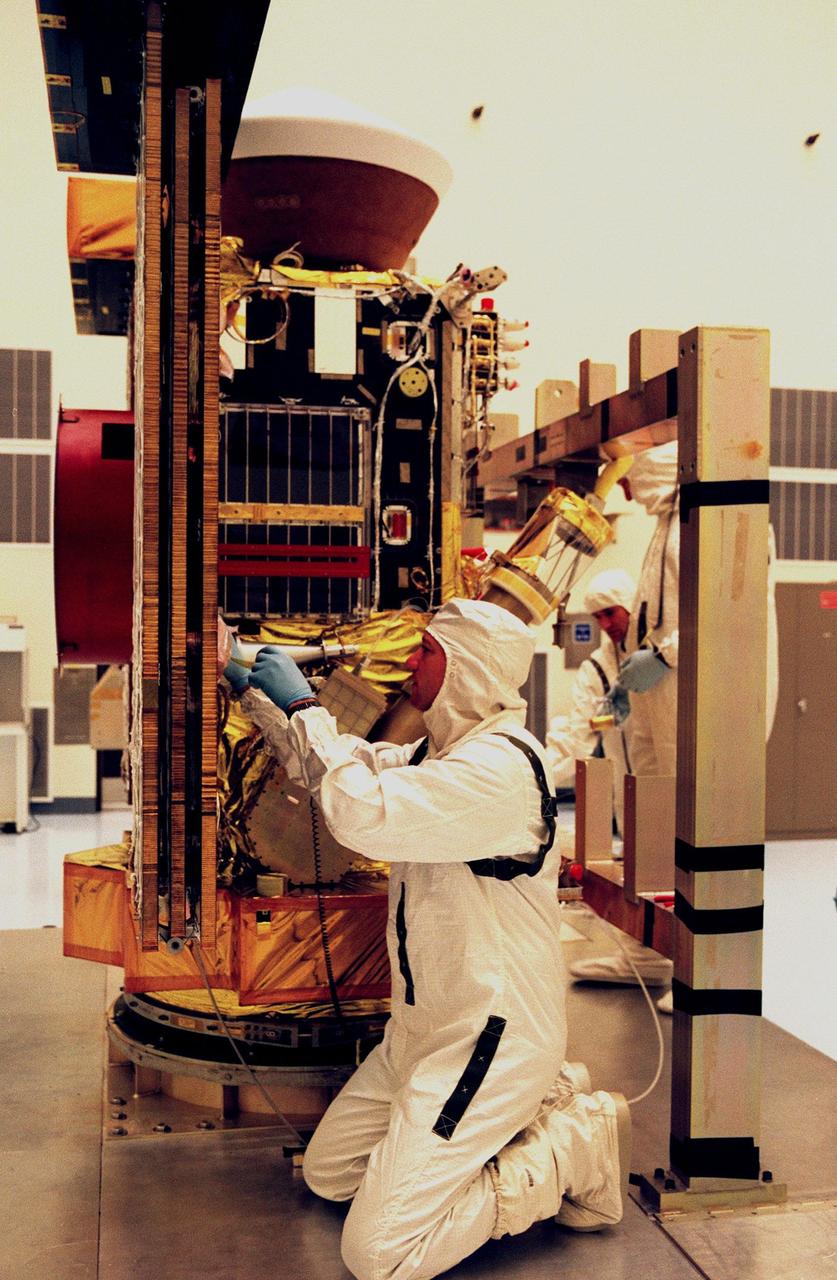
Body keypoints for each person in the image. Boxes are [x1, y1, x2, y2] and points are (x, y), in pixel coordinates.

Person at [225, 598, 630, 1280]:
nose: (412, 662)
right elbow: (338, 770)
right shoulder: (436, 753)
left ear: (467, 669)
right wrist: (263, 699)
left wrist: (304, 710)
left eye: (427, 652)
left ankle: (571, 1144)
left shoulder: (497, 771)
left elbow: (361, 813)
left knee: (378, 1255)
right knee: (330, 1177)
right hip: (420, 1033)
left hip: (488, 1038)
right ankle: (512, 1120)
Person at [545, 567, 637, 836]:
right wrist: (538, 776)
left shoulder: (661, 653)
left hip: (670, 776)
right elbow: (579, 732)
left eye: (610, 613)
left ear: (629, 605)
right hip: (624, 782)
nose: (605, 625)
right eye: (598, 617)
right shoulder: (597, 666)